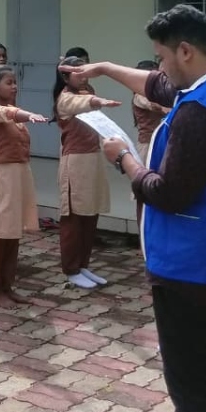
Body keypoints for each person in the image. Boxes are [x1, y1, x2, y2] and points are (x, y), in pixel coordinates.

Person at [75, 5, 206, 412]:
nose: (159, 68)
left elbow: (168, 192)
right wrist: (104, 68)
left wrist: (124, 159)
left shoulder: (200, 113)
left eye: (161, 57)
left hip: (192, 272)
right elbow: (156, 85)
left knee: (193, 390)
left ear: (184, 51)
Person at [0, 64, 47, 307]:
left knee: (12, 233)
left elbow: (10, 114)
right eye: (9, 83)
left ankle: (8, 285)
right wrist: (26, 115)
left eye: (15, 82)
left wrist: (22, 115)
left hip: (17, 177)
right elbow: (1, 113)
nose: (14, 86)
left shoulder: (11, 111)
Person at [53, 50, 121, 290]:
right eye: (77, 72)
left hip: (93, 158)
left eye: (85, 71)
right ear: (65, 77)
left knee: (91, 214)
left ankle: (83, 264)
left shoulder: (87, 91)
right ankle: (71, 268)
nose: (84, 76)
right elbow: (81, 104)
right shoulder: (65, 98)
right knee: (74, 217)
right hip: (76, 162)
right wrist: (99, 102)